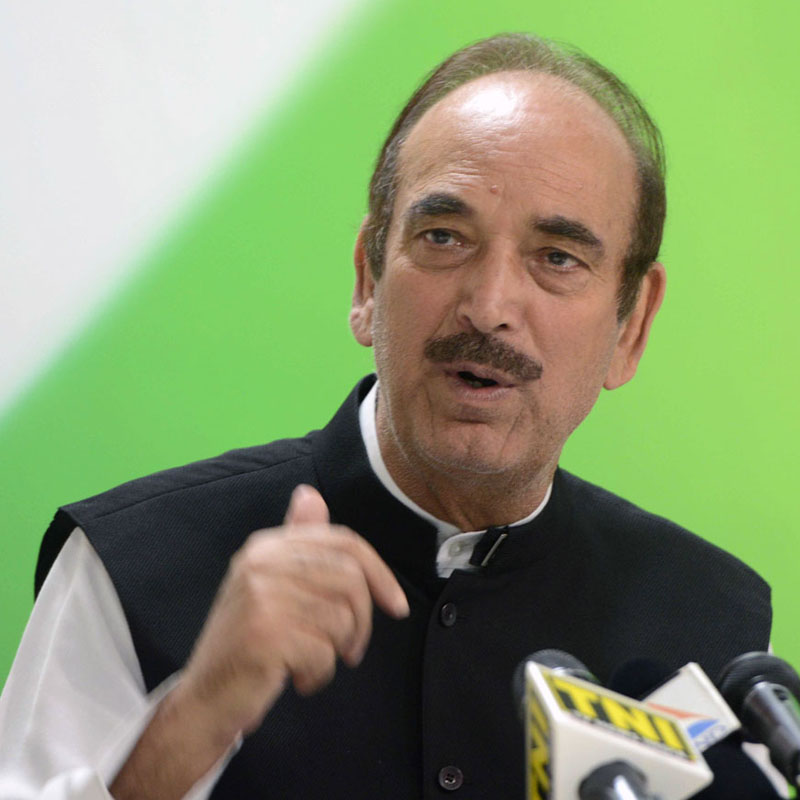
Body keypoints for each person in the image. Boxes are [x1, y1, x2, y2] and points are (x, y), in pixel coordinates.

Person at [0, 33, 778, 799]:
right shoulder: (131, 567)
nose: (489, 305)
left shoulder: (710, 630)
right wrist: (197, 716)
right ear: (368, 282)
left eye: (557, 258)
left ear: (631, 327)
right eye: (444, 237)